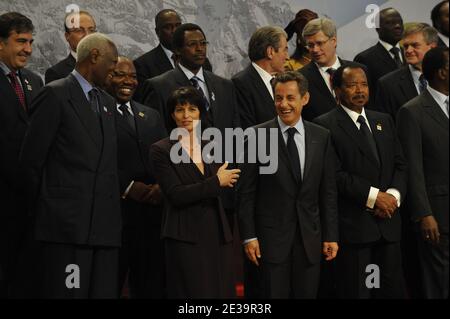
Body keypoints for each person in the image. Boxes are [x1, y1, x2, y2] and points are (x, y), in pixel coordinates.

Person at [20, 33, 121, 299]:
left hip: (105, 230)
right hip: (66, 230)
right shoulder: (54, 94)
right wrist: (51, 209)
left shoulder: (108, 104)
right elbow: (31, 162)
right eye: (112, 61)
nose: (115, 68)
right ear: (95, 57)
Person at [237, 71, 339, 298]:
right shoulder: (256, 136)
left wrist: (331, 235)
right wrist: (249, 236)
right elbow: (246, 193)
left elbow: (328, 192)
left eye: (290, 98)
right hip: (270, 243)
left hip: (310, 241)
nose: (283, 105)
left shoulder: (321, 136)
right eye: (278, 98)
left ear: (305, 99)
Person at [314, 65, 407, 298]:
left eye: (364, 84)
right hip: (355, 229)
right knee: (360, 292)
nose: (359, 90)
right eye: (351, 84)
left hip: (389, 224)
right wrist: (376, 197)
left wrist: (393, 197)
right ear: (336, 89)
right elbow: (334, 175)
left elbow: (401, 165)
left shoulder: (383, 120)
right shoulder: (324, 126)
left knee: (391, 291)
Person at [150, 86, 240, 298]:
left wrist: (219, 182)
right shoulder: (161, 150)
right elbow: (176, 194)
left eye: (192, 109)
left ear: (200, 112)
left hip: (217, 232)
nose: (186, 115)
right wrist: (217, 182)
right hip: (184, 236)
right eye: (180, 109)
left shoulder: (211, 145)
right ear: (172, 114)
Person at [104, 56, 167, 298]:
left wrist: (163, 185)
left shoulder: (150, 115)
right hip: (115, 216)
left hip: (152, 217)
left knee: (151, 285)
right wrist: (128, 187)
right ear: (108, 76)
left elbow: (166, 156)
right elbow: (97, 160)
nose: (128, 81)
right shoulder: (96, 110)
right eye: (120, 74)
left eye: (133, 76)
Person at [397, 47, 449, 299]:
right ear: (442, 72)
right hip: (439, 216)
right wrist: (424, 214)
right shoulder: (412, 111)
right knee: (440, 284)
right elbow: (413, 168)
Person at [0, 11, 43, 298]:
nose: (27, 49)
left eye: (30, 41)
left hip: (29, 201)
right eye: (20, 41)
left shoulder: (34, 81)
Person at [133, 9, 212, 102]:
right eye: (168, 27)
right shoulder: (143, 65)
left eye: (178, 25)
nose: (175, 31)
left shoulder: (202, 62)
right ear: (157, 31)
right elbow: (144, 104)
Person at [299, 18, 361, 121]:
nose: (315, 50)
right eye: (310, 45)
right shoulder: (300, 78)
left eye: (320, 43)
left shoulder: (359, 70)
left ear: (334, 41)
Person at [376, 23, 438, 120]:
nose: (408, 50)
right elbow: (386, 124)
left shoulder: (445, 75)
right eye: (405, 46)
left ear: (432, 47)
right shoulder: (387, 84)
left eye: (415, 45)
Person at [232, 26, 289, 129]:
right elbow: (246, 130)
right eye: (284, 50)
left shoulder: (279, 82)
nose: (287, 56)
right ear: (270, 52)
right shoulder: (241, 84)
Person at [354, 8, 405, 96]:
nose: (398, 26)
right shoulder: (365, 59)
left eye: (400, 22)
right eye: (390, 23)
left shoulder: (409, 53)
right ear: (378, 28)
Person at [45, 10, 96, 84]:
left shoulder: (108, 68)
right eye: (79, 30)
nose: (87, 35)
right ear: (67, 36)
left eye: (91, 30)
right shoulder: (56, 73)